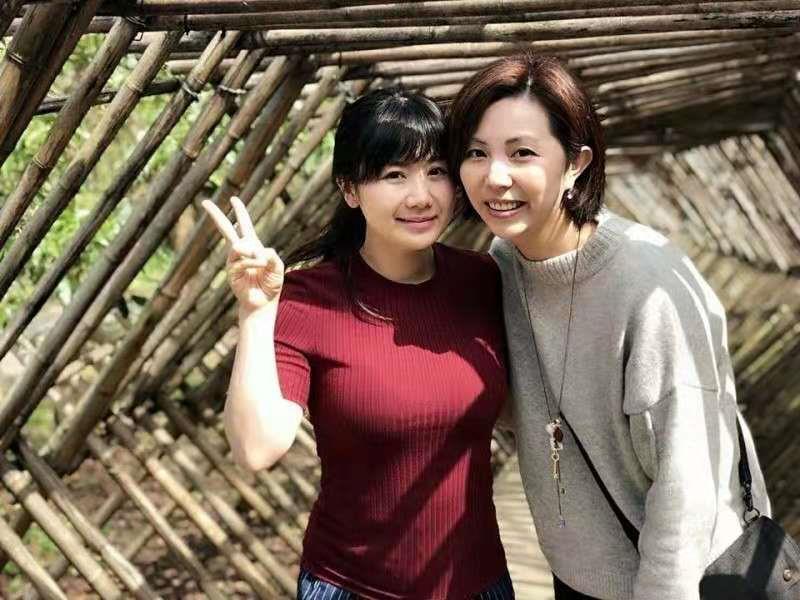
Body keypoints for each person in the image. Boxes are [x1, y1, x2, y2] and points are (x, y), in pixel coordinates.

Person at [446, 53, 771, 600]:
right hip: (577, 575)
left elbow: (688, 487)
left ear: (576, 163)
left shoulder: (649, 287)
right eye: (476, 153)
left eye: (522, 152)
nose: (495, 176)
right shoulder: (504, 263)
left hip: (680, 580)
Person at [202, 88, 515, 600]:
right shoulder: (308, 300)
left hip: (479, 583)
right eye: (394, 175)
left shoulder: (483, 280)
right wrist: (256, 313)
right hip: (353, 586)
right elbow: (257, 448)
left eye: (436, 171)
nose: (421, 196)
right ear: (350, 189)